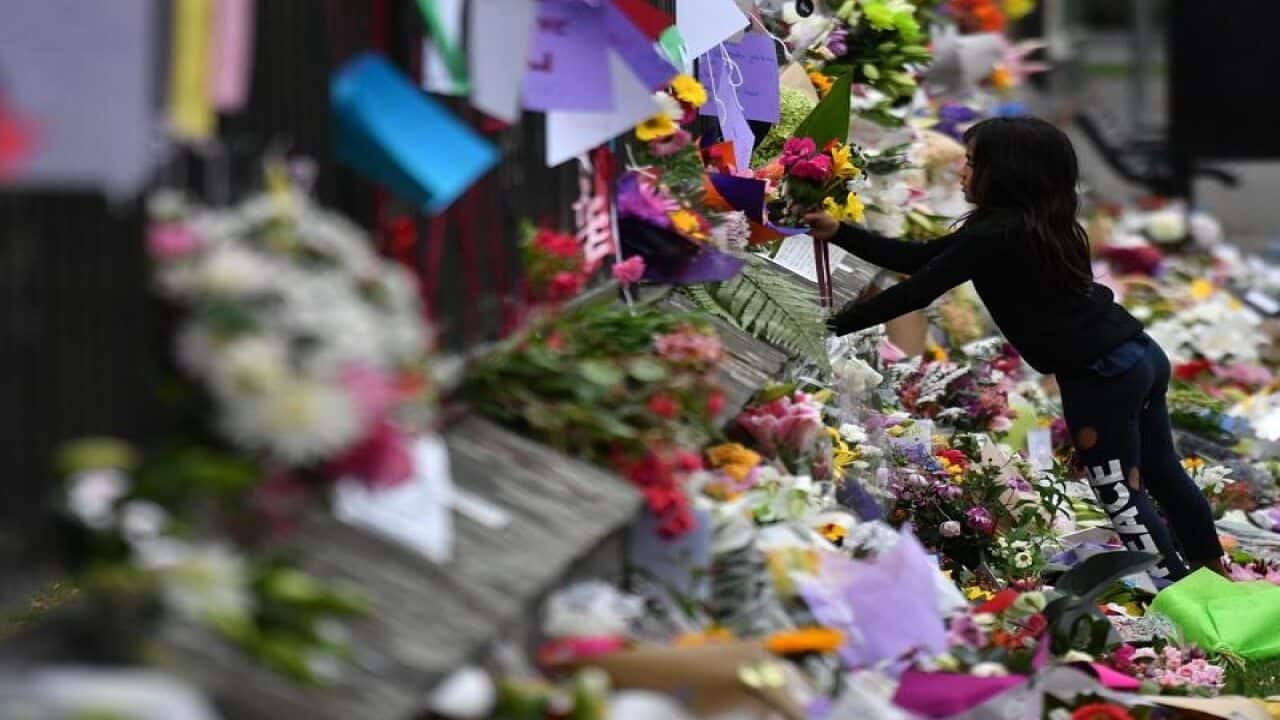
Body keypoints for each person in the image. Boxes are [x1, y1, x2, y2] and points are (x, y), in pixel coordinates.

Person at [805, 116, 1224, 581]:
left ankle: (1174, 588)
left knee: (1119, 490)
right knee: (1161, 470)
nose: (961, 172)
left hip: (1100, 374)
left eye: (969, 162)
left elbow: (917, 291)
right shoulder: (1031, 222)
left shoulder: (996, 233)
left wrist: (829, 325)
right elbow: (920, 259)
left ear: (1003, 171)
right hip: (1137, 352)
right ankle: (1210, 569)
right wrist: (839, 232)